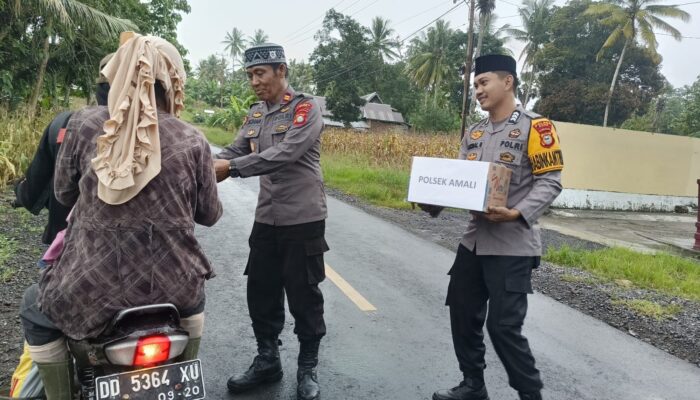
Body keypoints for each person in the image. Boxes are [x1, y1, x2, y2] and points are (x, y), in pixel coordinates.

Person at [19, 35, 222, 400]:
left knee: (35, 308)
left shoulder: (82, 125)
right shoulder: (193, 138)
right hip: (174, 288)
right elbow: (209, 215)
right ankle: (182, 386)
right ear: (173, 81)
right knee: (195, 305)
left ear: (118, 74)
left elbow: (63, 195)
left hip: (88, 289)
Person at [422, 54, 564, 400]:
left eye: (484, 83)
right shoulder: (475, 132)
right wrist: (432, 199)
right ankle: (473, 385)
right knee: (462, 313)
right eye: (475, 86)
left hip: (512, 245)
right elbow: (458, 181)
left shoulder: (537, 127)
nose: (478, 91)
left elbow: (550, 182)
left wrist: (517, 212)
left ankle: (531, 394)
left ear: (508, 82)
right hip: (474, 241)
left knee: (503, 327)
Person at [213, 43, 328, 400]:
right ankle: (267, 359)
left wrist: (232, 168)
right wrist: (201, 161)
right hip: (267, 217)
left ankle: (307, 368)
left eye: (260, 73)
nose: (254, 81)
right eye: (249, 75)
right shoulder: (255, 114)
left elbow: (286, 153)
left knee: (303, 294)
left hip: (302, 218)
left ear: (281, 70)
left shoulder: (306, 109)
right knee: (260, 290)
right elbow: (233, 150)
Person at [11, 54, 113, 245]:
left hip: (67, 243)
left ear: (99, 88)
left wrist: (21, 191)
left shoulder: (65, 123)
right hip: (134, 257)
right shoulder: (166, 134)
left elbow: (37, 184)